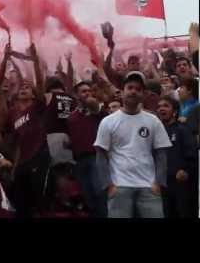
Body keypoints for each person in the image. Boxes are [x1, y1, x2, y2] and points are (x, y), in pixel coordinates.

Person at [94, 71, 172, 218]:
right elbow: (101, 155)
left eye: (138, 89)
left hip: (149, 186)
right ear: (122, 92)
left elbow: (161, 153)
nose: (133, 91)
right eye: (130, 88)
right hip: (119, 186)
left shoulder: (153, 120)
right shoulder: (108, 121)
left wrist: (159, 183)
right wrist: (108, 186)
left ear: (143, 94)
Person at [9, 43, 50, 218]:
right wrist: (15, 166)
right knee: (20, 205)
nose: (24, 88)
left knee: (38, 203)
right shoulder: (15, 115)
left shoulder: (37, 107)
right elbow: (19, 143)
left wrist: (34, 62)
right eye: (22, 87)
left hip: (39, 159)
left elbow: (40, 83)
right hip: (22, 164)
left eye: (28, 87)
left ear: (34, 94)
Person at [66, 81, 108, 218]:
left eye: (89, 91)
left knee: (99, 191)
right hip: (78, 160)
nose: (88, 93)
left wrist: (95, 106)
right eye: (84, 91)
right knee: (87, 195)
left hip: (96, 157)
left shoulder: (97, 111)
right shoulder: (71, 117)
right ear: (76, 95)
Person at [157, 96, 198, 217]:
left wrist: (185, 170)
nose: (161, 109)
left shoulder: (182, 130)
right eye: (159, 106)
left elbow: (192, 154)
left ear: (174, 111)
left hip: (180, 184)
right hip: (162, 185)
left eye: (166, 106)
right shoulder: (156, 131)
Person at [44, 76, 76, 165]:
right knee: (69, 168)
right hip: (71, 137)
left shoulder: (48, 96)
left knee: (58, 169)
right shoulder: (73, 99)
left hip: (54, 136)